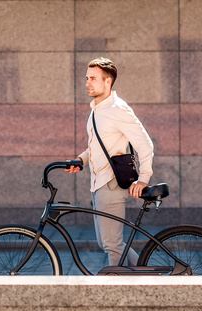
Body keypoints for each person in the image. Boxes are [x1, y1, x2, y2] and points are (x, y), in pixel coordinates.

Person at [66, 57, 155, 267]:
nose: (88, 82)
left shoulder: (118, 109)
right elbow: (95, 147)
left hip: (112, 184)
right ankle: (151, 277)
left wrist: (143, 178)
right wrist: (81, 159)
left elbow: (145, 144)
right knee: (106, 242)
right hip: (98, 185)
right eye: (87, 78)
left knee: (112, 244)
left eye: (93, 78)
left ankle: (114, 290)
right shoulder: (96, 110)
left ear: (108, 81)